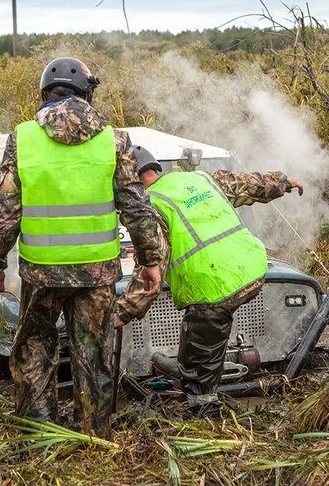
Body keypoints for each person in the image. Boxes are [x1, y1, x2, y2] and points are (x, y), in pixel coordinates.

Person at [0, 57, 162, 439]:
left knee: (34, 352)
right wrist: (150, 260)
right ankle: (94, 439)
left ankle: (39, 438)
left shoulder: (23, 138)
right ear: (87, 94)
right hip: (96, 274)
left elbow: (4, 210)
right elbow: (136, 204)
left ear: (46, 93)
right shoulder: (114, 140)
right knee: (93, 358)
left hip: (41, 271)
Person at [114, 146, 303, 415]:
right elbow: (250, 184)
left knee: (197, 368)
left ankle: (206, 415)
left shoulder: (150, 206)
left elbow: (151, 271)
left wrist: (122, 312)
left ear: (128, 179)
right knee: (202, 343)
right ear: (156, 168)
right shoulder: (201, 179)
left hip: (212, 285)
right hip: (252, 268)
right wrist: (284, 182)